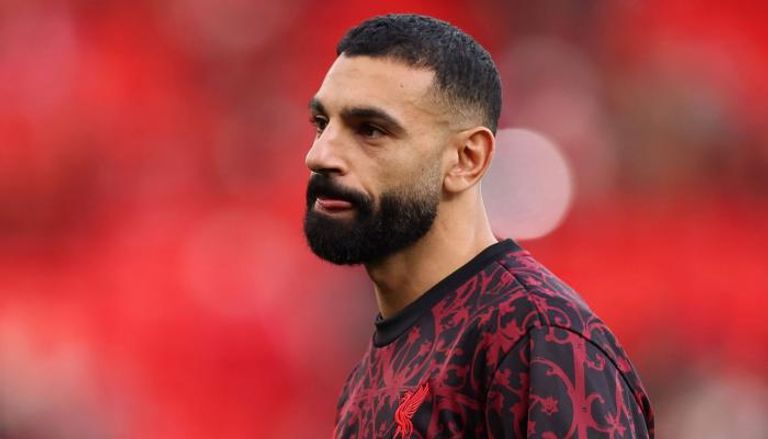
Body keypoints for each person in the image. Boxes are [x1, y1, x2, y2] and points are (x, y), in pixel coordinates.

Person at [303, 13, 654, 438]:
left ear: (467, 159)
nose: (319, 155)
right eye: (322, 124)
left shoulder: (536, 338)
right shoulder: (367, 379)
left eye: (371, 130)